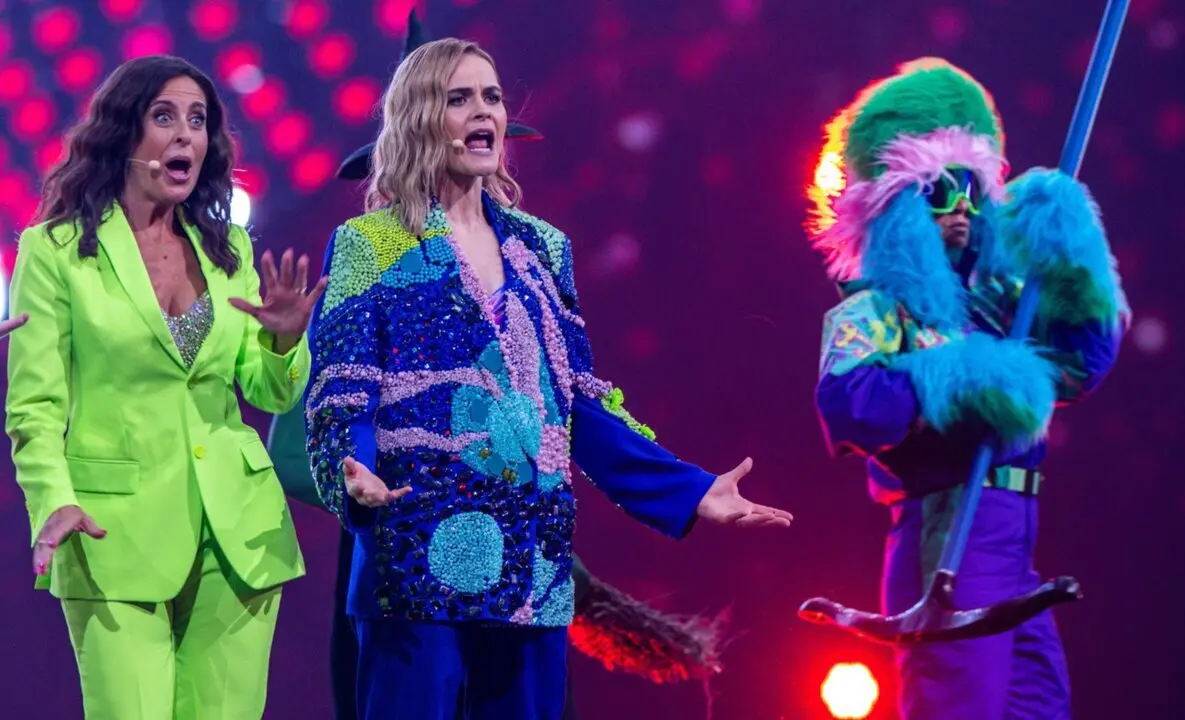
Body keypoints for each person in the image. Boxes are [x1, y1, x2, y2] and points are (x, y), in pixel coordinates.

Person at [305, 37, 792, 720]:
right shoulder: (369, 244)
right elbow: (342, 386)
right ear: (419, 118)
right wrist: (352, 469)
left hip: (530, 560)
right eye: (458, 98)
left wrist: (689, 488)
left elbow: (577, 403)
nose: (484, 112)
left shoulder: (541, 247)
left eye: (492, 97)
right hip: (414, 552)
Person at [806, 58, 1127, 719]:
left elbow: (1078, 367)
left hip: (1013, 544)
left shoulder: (999, 302)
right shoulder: (873, 311)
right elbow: (849, 407)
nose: (958, 210)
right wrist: (959, 378)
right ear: (894, 203)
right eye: (936, 191)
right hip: (946, 535)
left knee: (1037, 707)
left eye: (969, 190)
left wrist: (1076, 265)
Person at [5, 54, 324, 719]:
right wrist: (51, 501)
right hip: (110, 533)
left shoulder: (227, 249)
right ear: (125, 134)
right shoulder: (56, 250)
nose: (185, 135)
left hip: (236, 535)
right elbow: (34, 407)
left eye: (198, 120)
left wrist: (285, 340)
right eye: (164, 117)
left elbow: (268, 393)